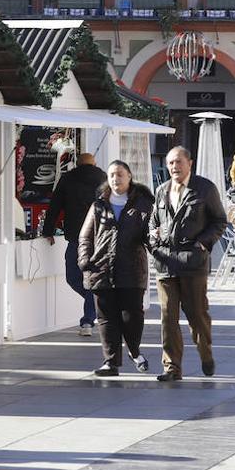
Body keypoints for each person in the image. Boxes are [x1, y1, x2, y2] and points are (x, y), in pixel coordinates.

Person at [149, 146, 228, 382]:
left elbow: (219, 221)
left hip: (193, 264)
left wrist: (203, 243)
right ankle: (171, 367)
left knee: (197, 316)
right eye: (171, 162)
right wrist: (153, 238)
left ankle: (205, 353)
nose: (174, 167)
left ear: (189, 163)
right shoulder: (161, 191)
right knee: (167, 317)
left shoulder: (204, 188)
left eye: (179, 162)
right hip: (165, 264)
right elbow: (154, 222)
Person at [78, 160, 154, 377]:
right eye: (111, 175)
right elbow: (85, 236)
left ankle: (133, 349)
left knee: (132, 317)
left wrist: (157, 246)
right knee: (106, 319)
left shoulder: (144, 204)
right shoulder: (99, 205)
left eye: (120, 174)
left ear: (129, 176)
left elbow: (150, 236)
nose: (115, 179)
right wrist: (85, 260)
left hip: (132, 270)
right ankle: (111, 362)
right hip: (101, 269)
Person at [45, 153, 107, 336]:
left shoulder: (68, 178)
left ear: (77, 164)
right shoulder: (105, 178)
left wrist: (48, 230)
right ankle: (97, 305)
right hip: (99, 237)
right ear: (94, 163)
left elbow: (54, 205)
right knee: (93, 281)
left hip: (75, 237)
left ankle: (88, 319)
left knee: (72, 277)